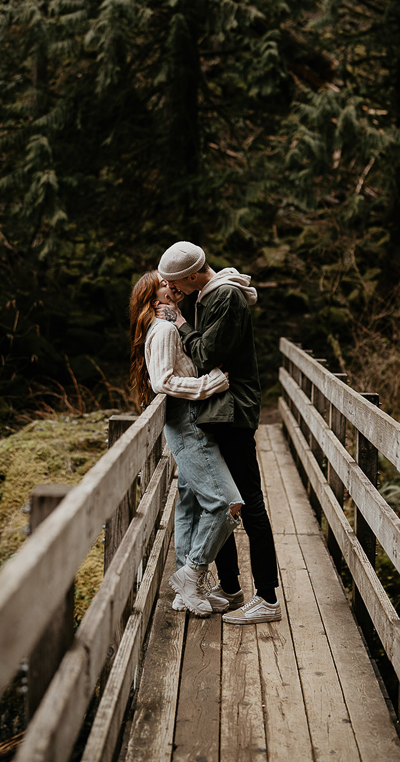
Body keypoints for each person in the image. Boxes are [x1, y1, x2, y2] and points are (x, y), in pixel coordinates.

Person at [156, 241, 281, 625]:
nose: (174, 290)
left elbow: (206, 354)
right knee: (227, 500)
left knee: (249, 503)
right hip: (219, 412)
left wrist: (180, 323)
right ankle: (229, 587)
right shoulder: (208, 294)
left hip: (234, 412)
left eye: (178, 283)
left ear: (194, 275)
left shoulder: (224, 296)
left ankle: (268, 598)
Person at [129, 270, 243, 616]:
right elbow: (163, 381)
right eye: (164, 284)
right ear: (153, 297)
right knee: (226, 503)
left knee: (190, 501)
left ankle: (184, 589)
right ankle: (191, 574)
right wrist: (209, 385)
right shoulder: (163, 329)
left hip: (187, 422)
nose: (172, 285)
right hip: (188, 422)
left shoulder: (167, 325)